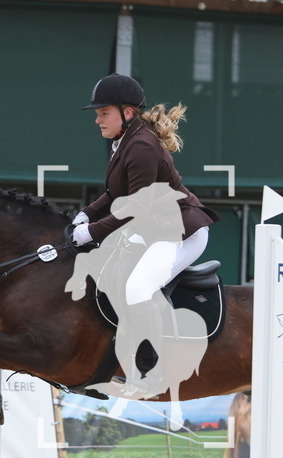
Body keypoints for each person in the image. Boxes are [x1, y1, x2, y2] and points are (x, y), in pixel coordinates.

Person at [70, 73, 220, 396]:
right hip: (157, 229)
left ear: (127, 112)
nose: (97, 120)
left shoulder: (141, 146)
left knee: (138, 286)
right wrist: (87, 213)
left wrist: (92, 232)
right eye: (97, 114)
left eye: (103, 113)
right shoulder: (125, 141)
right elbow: (114, 194)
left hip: (182, 232)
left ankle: (151, 374)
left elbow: (135, 209)